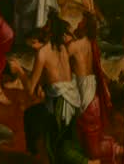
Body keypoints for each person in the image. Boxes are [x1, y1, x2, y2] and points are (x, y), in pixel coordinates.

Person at [24, 12, 98, 164]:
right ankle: (37, 152)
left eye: (46, 25)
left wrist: (19, 71)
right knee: (64, 140)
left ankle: (89, 163)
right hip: (72, 101)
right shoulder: (63, 48)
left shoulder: (43, 53)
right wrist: (43, 86)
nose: (43, 27)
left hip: (60, 104)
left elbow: (30, 88)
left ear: (50, 30)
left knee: (58, 145)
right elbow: (54, 76)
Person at [69, 16, 123, 162]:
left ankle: (115, 148)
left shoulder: (74, 46)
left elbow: (60, 60)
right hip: (92, 93)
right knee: (87, 143)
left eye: (81, 22)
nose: (78, 23)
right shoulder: (92, 44)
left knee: (91, 150)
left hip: (85, 96)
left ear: (84, 27)